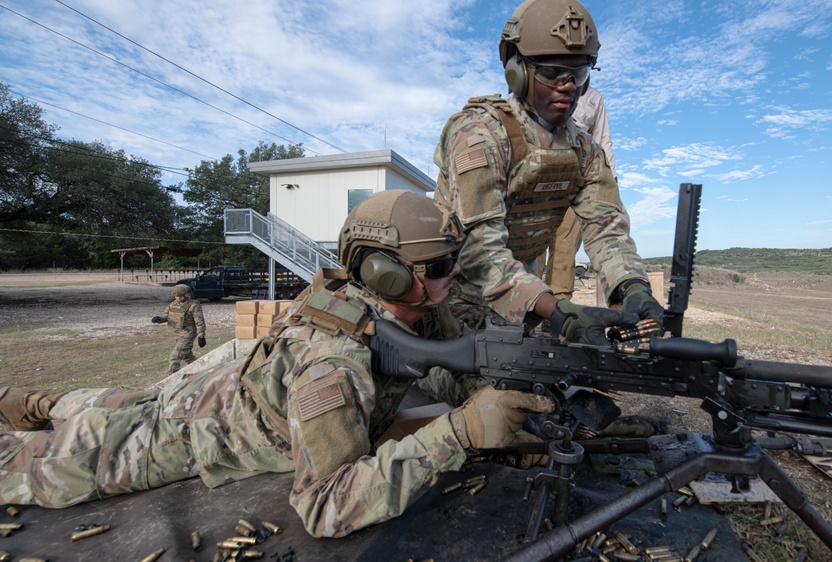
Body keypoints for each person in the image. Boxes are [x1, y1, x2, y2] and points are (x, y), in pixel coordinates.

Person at [0, 191, 553, 538]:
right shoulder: (331, 364)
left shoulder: (407, 305)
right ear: (386, 276)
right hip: (188, 435)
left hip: (207, 388)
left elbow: (459, 373)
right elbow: (323, 505)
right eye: (439, 265)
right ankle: (35, 417)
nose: (452, 274)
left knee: (118, 402)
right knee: (47, 466)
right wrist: (458, 433)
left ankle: (43, 404)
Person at [432, 0, 662, 345]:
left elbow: (607, 232)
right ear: (518, 72)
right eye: (553, 73)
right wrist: (553, 310)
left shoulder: (584, 152)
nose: (568, 86)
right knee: (490, 396)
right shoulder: (479, 133)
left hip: (525, 298)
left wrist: (632, 287)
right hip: (451, 298)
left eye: (578, 75)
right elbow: (478, 249)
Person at [543, 87, 617, 300]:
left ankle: (557, 310)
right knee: (531, 247)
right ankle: (523, 312)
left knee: (565, 247)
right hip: (536, 173)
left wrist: (610, 178)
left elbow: (602, 139)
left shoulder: (593, 98)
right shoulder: (536, 83)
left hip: (577, 177)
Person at [151, 283, 207, 373]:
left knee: (175, 357)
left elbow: (199, 322)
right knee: (186, 356)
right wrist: (159, 319)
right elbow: (167, 316)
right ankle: (204, 369)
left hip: (188, 334)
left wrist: (201, 336)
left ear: (187, 294)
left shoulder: (193, 305)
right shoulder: (173, 304)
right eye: (176, 296)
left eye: (180, 296)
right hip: (179, 334)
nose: (178, 298)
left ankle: (172, 379)